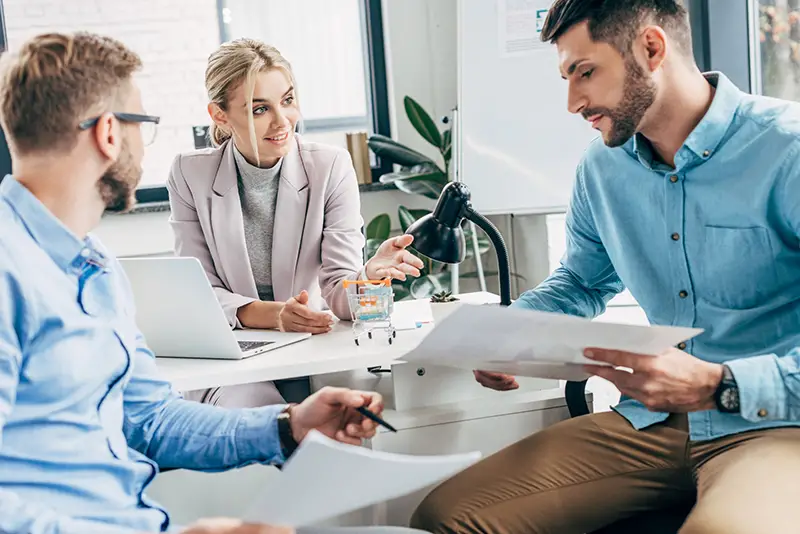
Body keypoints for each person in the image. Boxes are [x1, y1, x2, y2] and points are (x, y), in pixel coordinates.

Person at [411, 0, 800, 533]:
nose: (573, 102)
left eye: (585, 73)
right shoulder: (601, 168)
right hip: (654, 420)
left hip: (774, 422)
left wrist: (719, 383)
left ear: (651, 48)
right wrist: (508, 331)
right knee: (447, 518)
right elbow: (582, 282)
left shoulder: (788, 151)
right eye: (566, 78)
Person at [0, 30, 386, 534]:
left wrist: (289, 426)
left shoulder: (94, 267)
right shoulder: (12, 272)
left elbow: (150, 420)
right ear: (110, 133)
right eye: (146, 123)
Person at [167, 38, 423, 408]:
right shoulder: (190, 173)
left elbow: (339, 292)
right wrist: (274, 316)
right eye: (259, 109)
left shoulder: (329, 166)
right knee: (258, 414)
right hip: (236, 355)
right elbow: (199, 293)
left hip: (313, 349)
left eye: (287, 101)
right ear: (220, 115)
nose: (282, 120)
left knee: (354, 416)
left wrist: (368, 276)